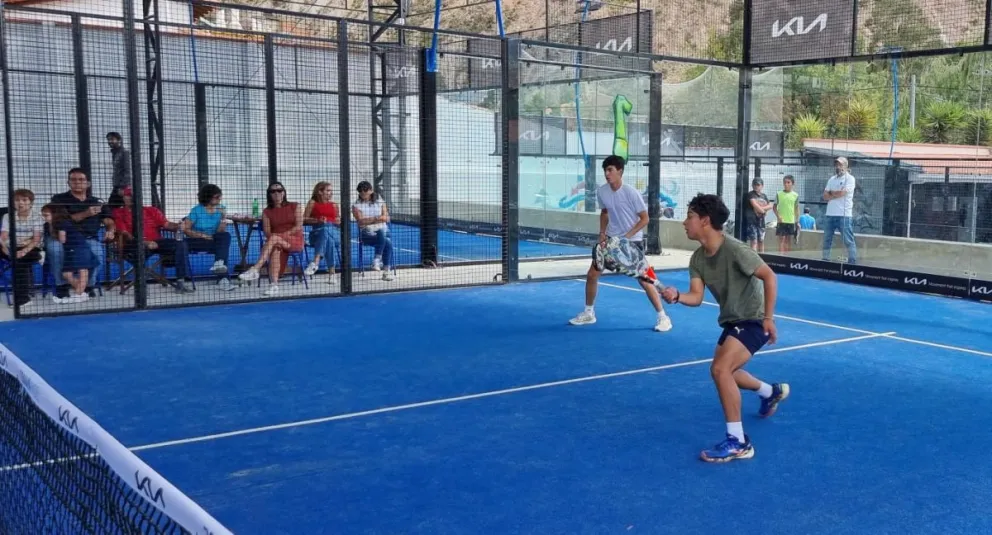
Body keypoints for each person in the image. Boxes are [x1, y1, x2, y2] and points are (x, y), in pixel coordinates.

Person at [661, 193, 789, 463]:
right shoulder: (697, 258)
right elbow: (696, 298)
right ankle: (770, 392)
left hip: (753, 320)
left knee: (721, 370)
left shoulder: (735, 249)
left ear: (705, 221)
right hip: (733, 321)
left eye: (690, 217)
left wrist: (769, 318)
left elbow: (769, 276)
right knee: (722, 371)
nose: (685, 223)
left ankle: (738, 442)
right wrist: (677, 296)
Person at [569, 155, 671, 332]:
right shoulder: (602, 191)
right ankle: (589, 313)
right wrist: (602, 234)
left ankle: (663, 317)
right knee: (593, 274)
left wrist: (626, 237)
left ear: (620, 172)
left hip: (632, 242)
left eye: (610, 170)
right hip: (610, 240)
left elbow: (645, 219)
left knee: (646, 280)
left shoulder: (631, 193)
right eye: (605, 170)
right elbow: (605, 212)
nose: (607, 174)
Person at [238, 181, 305, 296]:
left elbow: (298, 226)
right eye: (273, 191)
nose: (277, 193)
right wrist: (277, 239)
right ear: (269, 194)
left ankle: (255, 269)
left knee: (274, 239)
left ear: (284, 192)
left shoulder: (295, 205)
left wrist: (281, 236)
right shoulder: (267, 212)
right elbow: (267, 232)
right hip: (276, 241)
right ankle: (274, 285)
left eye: (279, 190)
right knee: (274, 249)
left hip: (294, 239)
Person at [352, 180, 395, 281]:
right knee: (386, 240)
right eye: (360, 191)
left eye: (365, 190)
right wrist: (377, 218)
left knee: (383, 235)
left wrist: (370, 220)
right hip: (366, 233)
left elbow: (386, 218)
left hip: (383, 229)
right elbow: (361, 222)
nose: (363, 193)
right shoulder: (356, 205)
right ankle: (385, 270)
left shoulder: (379, 201)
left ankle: (377, 260)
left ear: (371, 190)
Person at [303, 181, 341, 283]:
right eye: (328, 190)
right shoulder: (312, 203)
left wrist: (338, 222)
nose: (331, 193)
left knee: (326, 231)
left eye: (331, 191)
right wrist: (317, 220)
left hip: (334, 232)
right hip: (316, 234)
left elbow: (338, 221)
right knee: (329, 240)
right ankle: (332, 274)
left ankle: (315, 261)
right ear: (320, 191)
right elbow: (304, 219)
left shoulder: (334, 205)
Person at [822, 156, 858, 264]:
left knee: (848, 240)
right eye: (837, 164)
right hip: (830, 214)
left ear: (846, 166)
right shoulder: (831, 179)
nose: (838, 167)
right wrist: (835, 193)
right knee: (827, 240)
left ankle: (852, 263)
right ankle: (825, 260)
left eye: (840, 164)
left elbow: (842, 193)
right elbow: (824, 196)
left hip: (844, 215)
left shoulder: (850, 179)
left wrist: (831, 193)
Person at [773, 175, 800, 253]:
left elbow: (796, 208)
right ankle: (781, 258)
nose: (786, 184)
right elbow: (774, 207)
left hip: (791, 221)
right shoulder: (779, 194)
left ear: (792, 184)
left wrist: (797, 221)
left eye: (788, 182)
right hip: (781, 221)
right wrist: (778, 217)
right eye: (784, 182)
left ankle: (787, 259)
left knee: (788, 241)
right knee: (782, 241)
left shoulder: (796, 195)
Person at [744, 178, 772, 252]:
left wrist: (762, 209)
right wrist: (763, 211)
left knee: (761, 240)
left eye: (758, 185)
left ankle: (762, 258)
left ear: (762, 186)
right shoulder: (751, 194)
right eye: (754, 184)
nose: (756, 186)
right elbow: (754, 205)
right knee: (754, 241)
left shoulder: (764, 196)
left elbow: (770, 205)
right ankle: (754, 259)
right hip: (752, 221)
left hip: (761, 221)